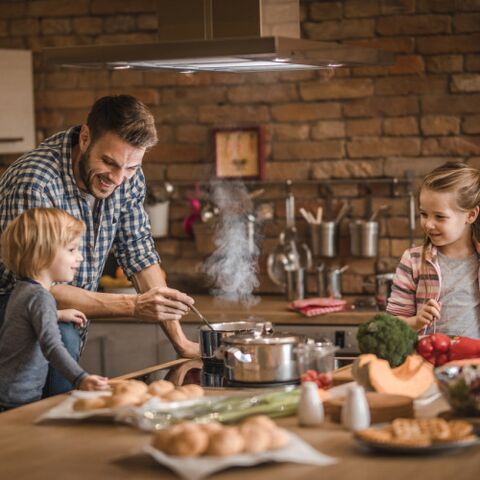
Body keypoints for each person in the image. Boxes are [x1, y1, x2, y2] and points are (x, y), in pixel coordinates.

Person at [0, 95, 198, 396]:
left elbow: (139, 253)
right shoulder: (36, 182)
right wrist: (134, 305)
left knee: (61, 413)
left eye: (130, 167)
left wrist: (180, 342)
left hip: (63, 320)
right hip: (14, 322)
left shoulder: (127, 175)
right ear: (85, 136)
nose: (118, 179)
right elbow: (39, 289)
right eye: (109, 162)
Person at [0, 208, 108, 410]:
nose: (80, 258)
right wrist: (80, 378)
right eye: (71, 250)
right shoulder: (41, 297)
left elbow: (23, 322)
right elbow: (52, 346)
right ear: (42, 252)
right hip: (15, 401)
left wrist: (57, 314)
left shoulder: (23, 289)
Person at [387, 161, 480, 337]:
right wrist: (416, 322)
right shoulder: (413, 261)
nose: (428, 224)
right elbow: (391, 323)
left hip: (474, 363)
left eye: (440, 216)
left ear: (470, 215)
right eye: (424, 214)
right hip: (426, 360)